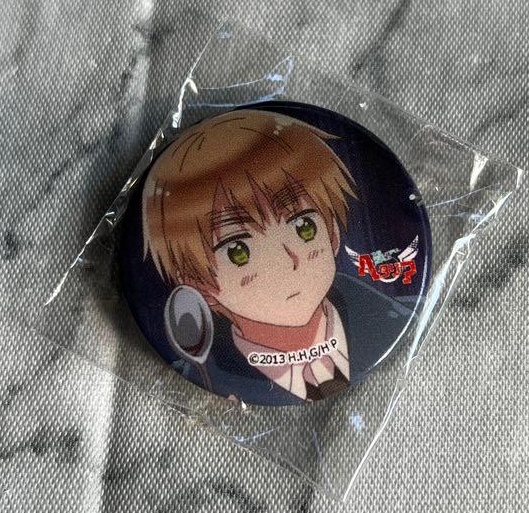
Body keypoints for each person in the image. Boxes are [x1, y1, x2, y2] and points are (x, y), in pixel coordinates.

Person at [141, 108, 416, 405]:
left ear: (332, 234)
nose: (288, 260)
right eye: (238, 252)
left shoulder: (387, 314)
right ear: (200, 284)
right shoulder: (209, 369)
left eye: (304, 226)